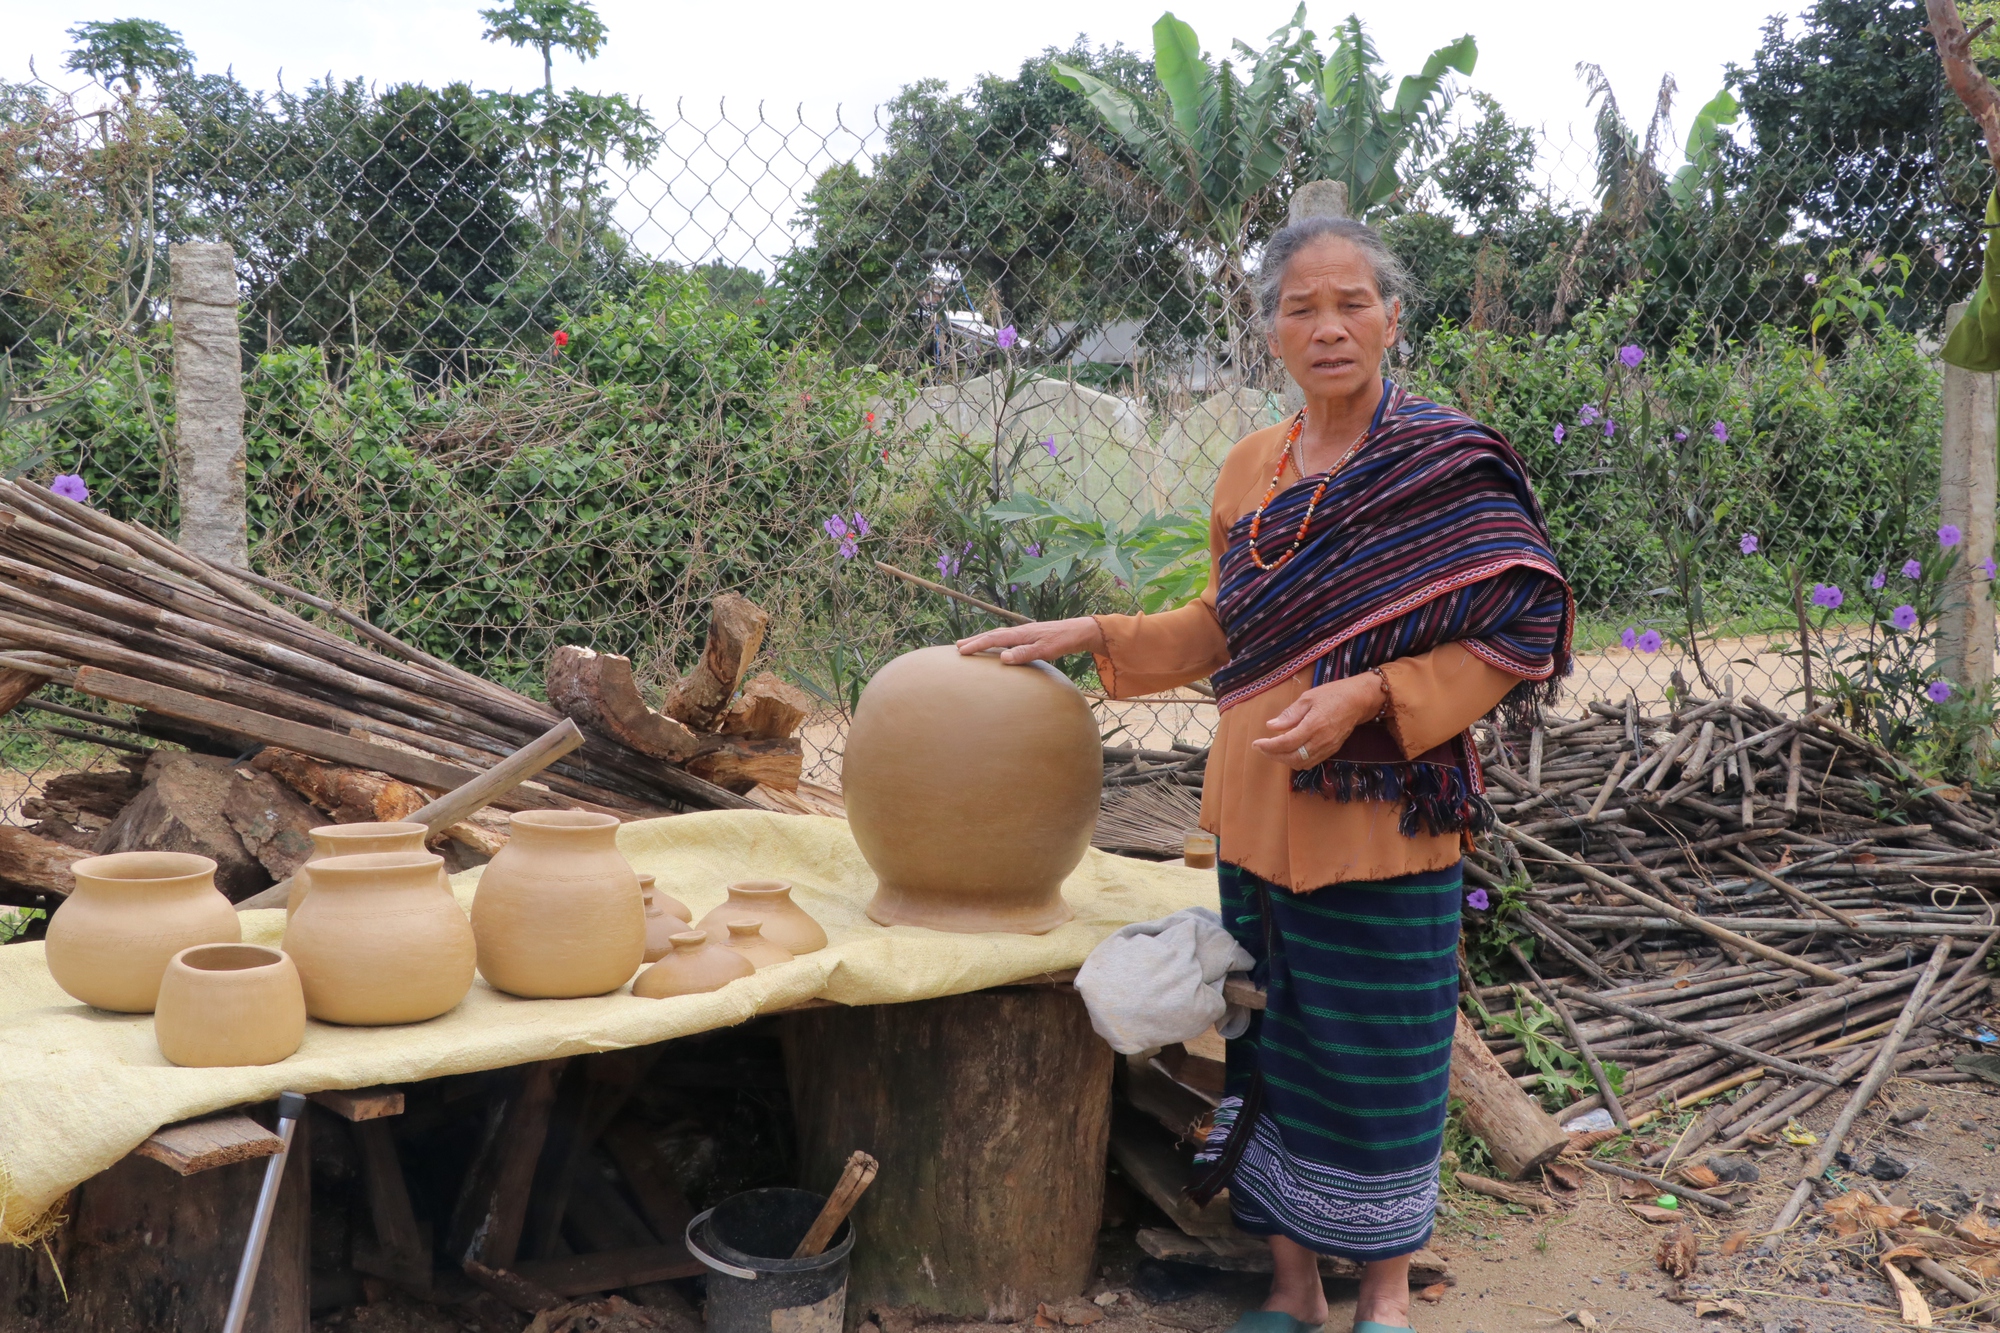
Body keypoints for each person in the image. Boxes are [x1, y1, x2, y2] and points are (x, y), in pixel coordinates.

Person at [957, 215, 1572, 1333]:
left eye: (1351, 303)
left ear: (1390, 317)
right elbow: (1221, 625)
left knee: (1385, 1054)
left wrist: (1372, 697)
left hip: (1384, 816)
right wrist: (1092, 629)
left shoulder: (1443, 461)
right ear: (1269, 333)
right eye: (1301, 307)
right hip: (1258, 807)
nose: (1327, 326)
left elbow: (1519, 620)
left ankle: (1381, 1295)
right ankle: (1289, 1289)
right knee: (1267, 1046)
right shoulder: (1253, 467)